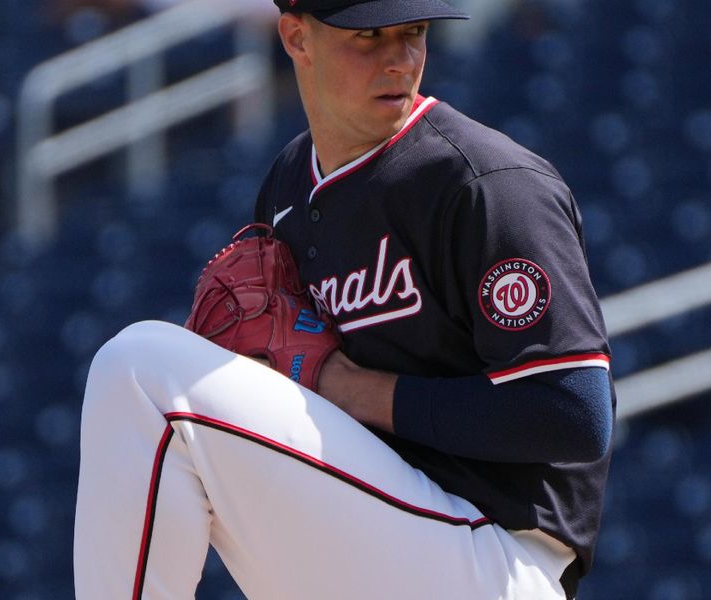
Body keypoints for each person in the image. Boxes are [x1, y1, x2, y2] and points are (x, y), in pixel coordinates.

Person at [73, 1, 615, 598]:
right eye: (371, 36)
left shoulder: (486, 183)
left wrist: (351, 390)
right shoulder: (286, 186)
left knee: (138, 367)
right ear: (297, 37)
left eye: (413, 32)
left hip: (494, 554)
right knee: (172, 425)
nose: (400, 59)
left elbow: (575, 414)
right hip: (369, 528)